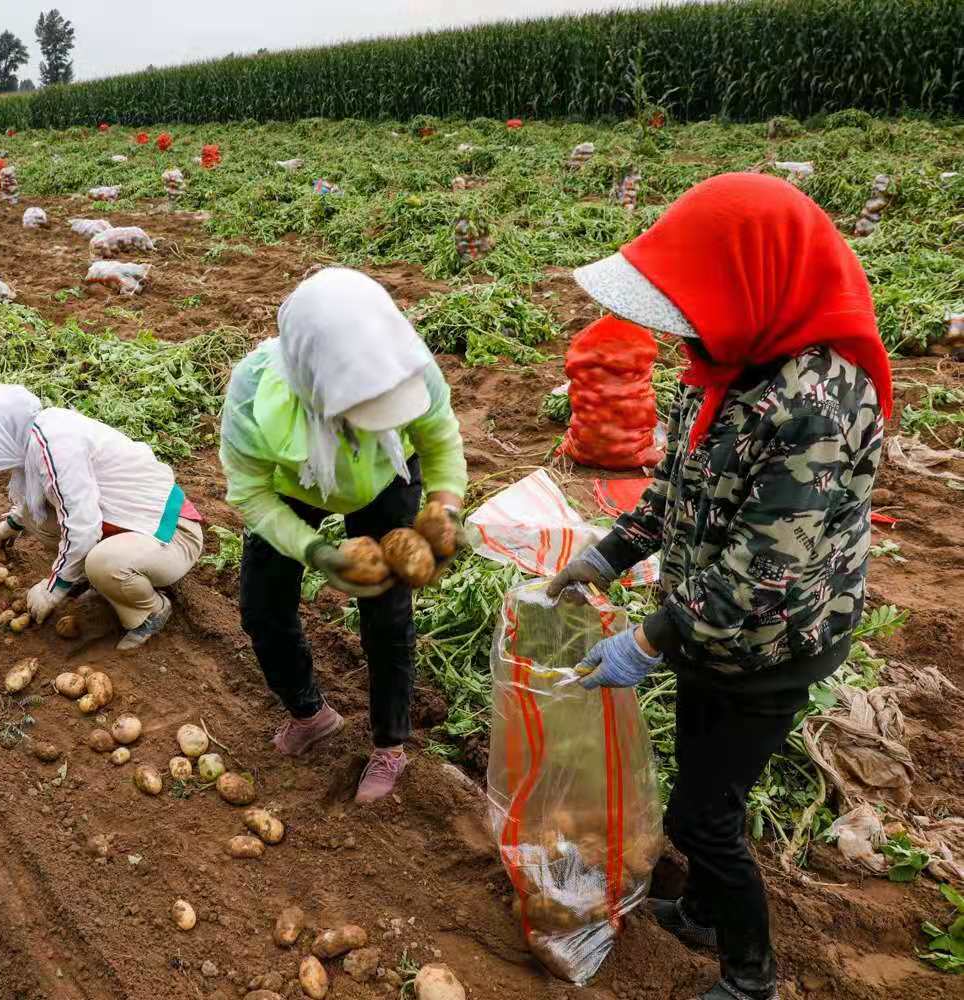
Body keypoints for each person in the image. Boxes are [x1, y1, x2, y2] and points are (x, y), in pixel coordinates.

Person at [545, 173, 889, 1000]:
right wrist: (612, 552)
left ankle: (750, 978)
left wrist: (648, 639)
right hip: (709, 627)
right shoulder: (724, 364)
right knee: (702, 776)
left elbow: (762, 579)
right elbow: (677, 489)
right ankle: (699, 910)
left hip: (775, 645)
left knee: (706, 816)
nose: (684, 330)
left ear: (751, 281)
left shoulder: (819, 405)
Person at [220, 267, 468, 804]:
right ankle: (309, 714)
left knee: (387, 609)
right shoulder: (252, 392)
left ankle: (390, 745)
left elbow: (441, 441)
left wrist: (446, 507)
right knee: (262, 606)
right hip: (293, 483)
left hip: (386, 476)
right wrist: (317, 552)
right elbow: (250, 493)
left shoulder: (412, 368)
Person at [0, 385, 205, 650]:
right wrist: (14, 523)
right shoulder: (37, 435)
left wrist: (52, 590)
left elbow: (84, 529)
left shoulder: (57, 446)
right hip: (124, 526)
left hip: (171, 534)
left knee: (102, 563)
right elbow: (45, 496)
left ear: (6, 429)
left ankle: (150, 611)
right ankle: (98, 578)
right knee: (37, 518)